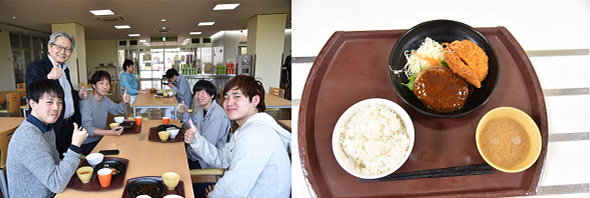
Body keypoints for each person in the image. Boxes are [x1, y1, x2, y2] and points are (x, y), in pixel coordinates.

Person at [184, 75, 291, 197]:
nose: (229, 103)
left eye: (237, 97)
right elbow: (222, 159)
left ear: (255, 101)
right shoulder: (244, 130)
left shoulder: (257, 134)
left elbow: (233, 188)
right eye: (226, 97)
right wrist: (196, 140)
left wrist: (213, 195)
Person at [7, 79, 89, 197]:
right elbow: (56, 183)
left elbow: (55, 165)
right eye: (49, 102)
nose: (56, 107)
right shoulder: (29, 138)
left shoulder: (46, 128)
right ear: (33, 104)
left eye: (59, 102)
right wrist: (75, 146)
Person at [26, 31, 88, 159]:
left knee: (68, 158)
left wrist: (78, 95)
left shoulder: (65, 68)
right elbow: (31, 91)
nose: (63, 52)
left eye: (67, 49)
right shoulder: (36, 66)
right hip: (52, 125)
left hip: (70, 123)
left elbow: (65, 92)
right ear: (49, 46)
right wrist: (49, 77)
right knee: (54, 161)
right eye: (59, 47)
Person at [179, 80, 230, 169]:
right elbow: (192, 125)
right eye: (197, 93)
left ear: (212, 95)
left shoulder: (217, 115)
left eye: (203, 92)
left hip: (205, 162)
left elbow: (207, 147)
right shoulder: (203, 111)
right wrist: (184, 113)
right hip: (198, 154)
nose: (199, 96)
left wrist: (187, 154)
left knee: (177, 164)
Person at [80, 71, 131, 155]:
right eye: (101, 83)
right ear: (93, 85)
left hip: (103, 137)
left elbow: (117, 110)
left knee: (125, 147)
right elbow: (88, 129)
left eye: (107, 83)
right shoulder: (86, 102)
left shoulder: (105, 99)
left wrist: (124, 102)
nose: (105, 86)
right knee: (118, 153)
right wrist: (109, 132)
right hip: (88, 143)